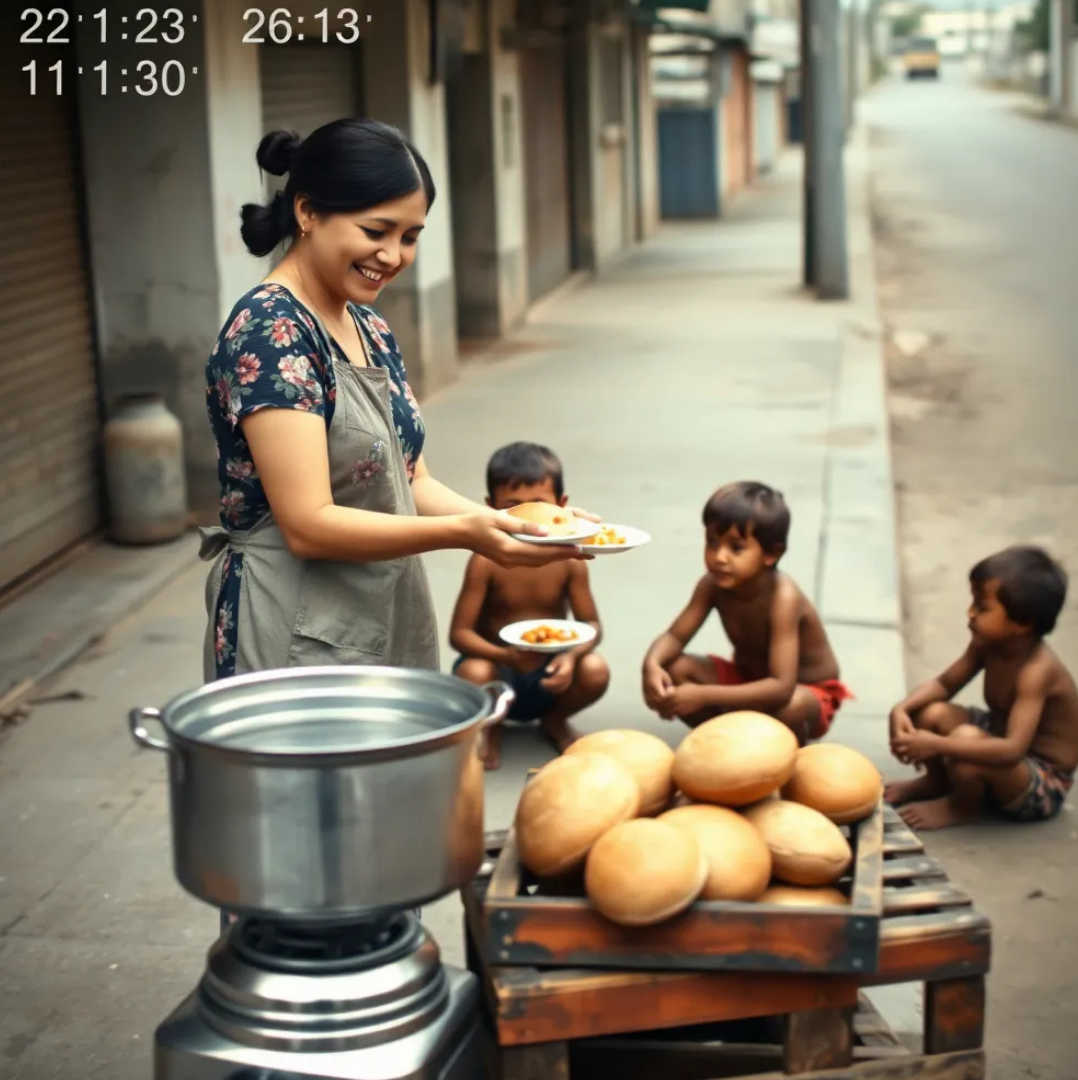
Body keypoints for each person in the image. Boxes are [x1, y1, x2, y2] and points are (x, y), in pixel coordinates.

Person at [202, 119, 595, 684]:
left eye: (410, 237)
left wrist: (524, 525)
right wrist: (465, 535)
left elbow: (414, 483)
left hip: (379, 605)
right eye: (376, 231)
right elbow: (308, 524)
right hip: (291, 623)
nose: (393, 255)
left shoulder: (367, 325)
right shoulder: (271, 329)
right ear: (307, 212)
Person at [641, 481, 852, 743]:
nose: (719, 557)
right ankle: (726, 744)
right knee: (675, 669)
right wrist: (651, 665)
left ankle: (781, 755)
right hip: (749, 681)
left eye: (736, 548)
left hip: (806, 694)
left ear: (771, 554)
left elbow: (781, 689)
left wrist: (703, 695)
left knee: (791, 707)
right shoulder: (711, 585)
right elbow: (674, 637)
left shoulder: (783, 598)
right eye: (712, 543)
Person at [886, 546, 1078, 830]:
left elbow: (1013, 749)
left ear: (1023, 622)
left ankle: (961, 807)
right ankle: (938, 782)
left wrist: (935, 744)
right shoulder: (986, 643)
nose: (971, 612)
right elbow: (944, 683)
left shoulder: (1036, 672)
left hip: (1041, 780)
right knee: (930, 713)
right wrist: (901, 708)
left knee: (966, 742)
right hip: (998, 736)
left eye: (982, 607)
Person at [448, 442, 609, 769]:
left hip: (550, 673)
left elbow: (592, 625)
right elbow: (460, 635)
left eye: (539, 505)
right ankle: (491, 727)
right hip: (498, 670)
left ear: (562, 506)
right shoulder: (485, 560)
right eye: (514, 507)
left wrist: (570, 656)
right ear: (490, 507)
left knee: (595, 670)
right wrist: (505, 656)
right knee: (472, 670)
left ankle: (555, 719)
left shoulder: (570, 560)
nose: (529, 518)